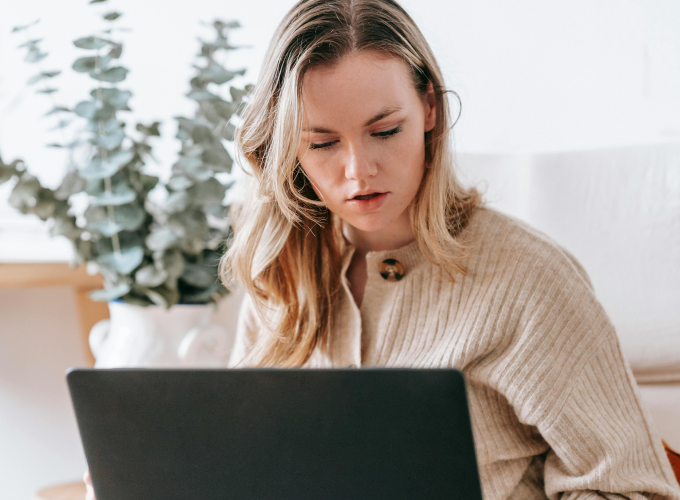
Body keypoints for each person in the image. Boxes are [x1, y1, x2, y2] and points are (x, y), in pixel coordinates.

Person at [85, 1, 680, 499]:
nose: (357, 171)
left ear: (429, 107)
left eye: (385, 130)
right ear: (289, 148)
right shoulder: (281, 278)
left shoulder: (530, 282)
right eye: (321, 143)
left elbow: (634, 488)